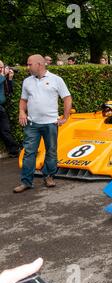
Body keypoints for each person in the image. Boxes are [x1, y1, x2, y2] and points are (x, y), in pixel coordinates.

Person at [14, 55, 72, 193]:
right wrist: (22, 112)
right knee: (29, 152)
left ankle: (49, 176)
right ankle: (26, 182)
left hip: (50, 123)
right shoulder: (27, 81)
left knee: (51, 152)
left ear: (39, 64)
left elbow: (67, 98)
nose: (27, 67)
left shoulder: (56, 79)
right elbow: (23, 100)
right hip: (32, 124)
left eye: (29, 64)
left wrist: (65, 117)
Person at [0, 61, 20, 157]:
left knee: (5, 129)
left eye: (2, 67)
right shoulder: (1, 77)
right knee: (5, 129)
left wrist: (10, 79)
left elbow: (9, 92)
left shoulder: (2, 77)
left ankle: (13, 150)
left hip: (1, 107)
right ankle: (14, 149)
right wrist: (3, 75)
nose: (1, 69)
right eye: (0, 67)